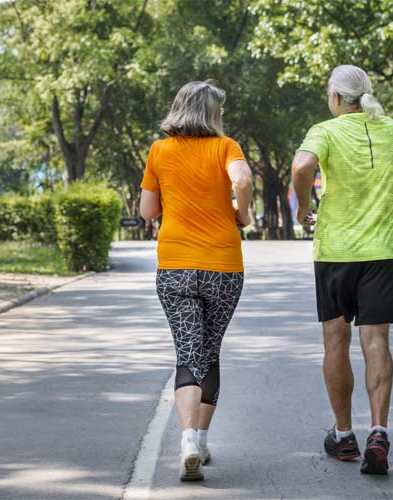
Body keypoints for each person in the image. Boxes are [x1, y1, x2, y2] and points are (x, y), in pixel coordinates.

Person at [291, 65, 393, 475]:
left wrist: (303, 207)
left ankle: (345, 435)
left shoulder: (325, 131)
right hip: (382, 254)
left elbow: (301, 168)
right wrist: (384, 184)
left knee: (336, 341)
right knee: (377, 342)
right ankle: (379, 430)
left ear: (335, 97)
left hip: (335, 253)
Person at [139, 80, 253, 482]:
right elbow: (240, 180)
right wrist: (244, 212)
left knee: (189, 353)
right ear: (213, 113)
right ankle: (201, 441)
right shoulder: (227, 147)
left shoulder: (159, 150)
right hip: (223, 266)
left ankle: (187, 440)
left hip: (175, 268)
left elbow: (148, 211)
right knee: (210, 350)